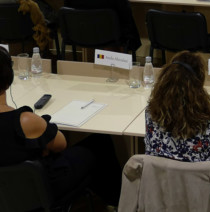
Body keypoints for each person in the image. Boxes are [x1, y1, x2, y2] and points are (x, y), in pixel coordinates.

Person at [0, 47, 121, 207]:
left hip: (6, 196)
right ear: (8, 78)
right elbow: (61, 144)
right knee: (100, 142)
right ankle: (120, 204)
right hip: (42, 189)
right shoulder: (25, 121)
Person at [145, 51, 210, 162]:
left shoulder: (151, 112)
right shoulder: (206, 117)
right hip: (197, 179)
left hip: (159, 178)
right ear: (198, 85)